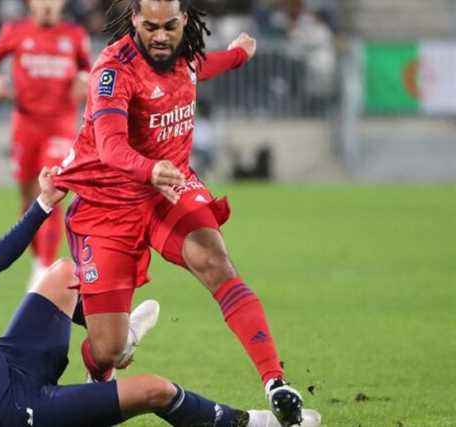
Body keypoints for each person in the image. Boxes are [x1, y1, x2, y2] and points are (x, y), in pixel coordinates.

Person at [0, 169, 321, 427]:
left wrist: (43, 205)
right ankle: (253, 423)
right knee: (155, 390)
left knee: (63, 273)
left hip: (10, 360)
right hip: (18, 410)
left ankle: (113, 341)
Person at [52, 0, 306, 424]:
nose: (160, 35)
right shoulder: (113, 71)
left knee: (214, 259)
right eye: (150, 26)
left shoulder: (183, 54)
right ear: (134, 19)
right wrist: (149, 168)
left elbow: (201, 67)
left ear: (184, 20)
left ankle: (276, 382)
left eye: (169, 25)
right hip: (107, 205)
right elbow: (111, 147)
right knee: (107, 349)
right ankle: (107, 366)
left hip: (166, 192)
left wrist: (240, 54)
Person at [0, 0, 92, 285]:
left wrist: (82, 79)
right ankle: (37, 261)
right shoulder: (14, 31)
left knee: (52, 191)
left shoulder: (75, 35)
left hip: (60, 125)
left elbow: (89, 68)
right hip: (25, 126)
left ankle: (43, 268)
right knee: (29, 199)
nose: (48, 7)